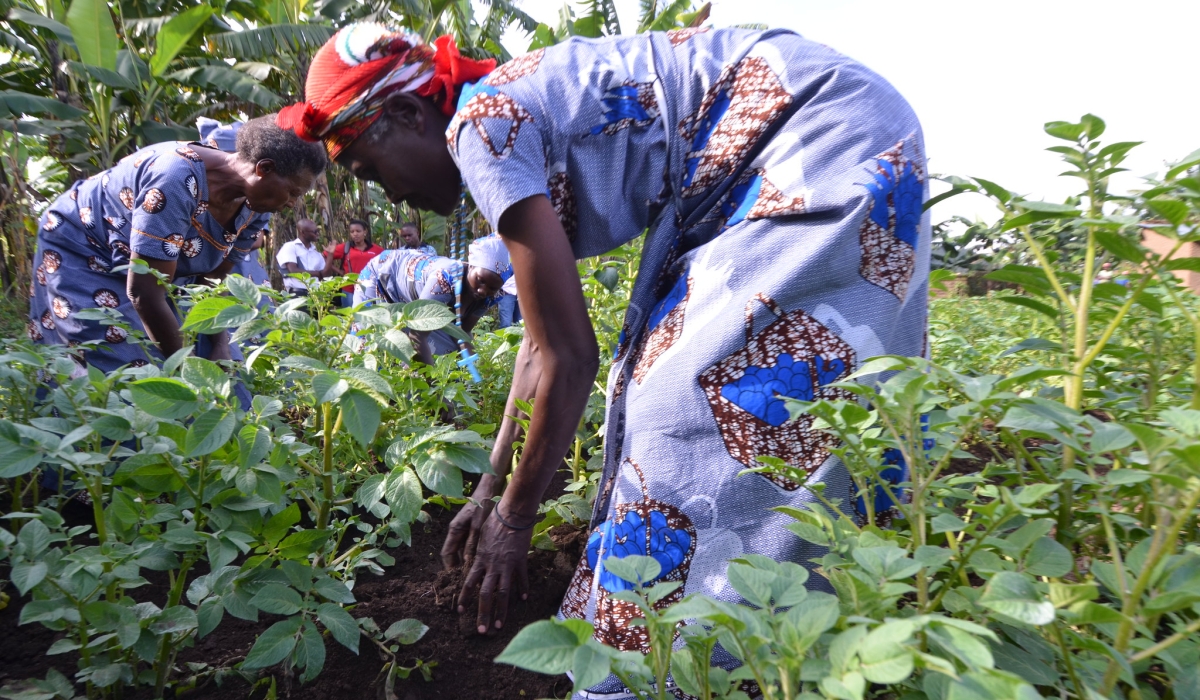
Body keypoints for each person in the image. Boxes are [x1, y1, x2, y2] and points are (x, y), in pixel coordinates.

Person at [279, 23, 929, 696]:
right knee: (738, 398)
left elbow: (570, 356)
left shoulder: (481, 126)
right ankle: (812, 626)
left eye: (369, 170)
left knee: (685, 408)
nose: (385, 195)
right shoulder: (506, 118)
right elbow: (540, 345)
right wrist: (488, 490)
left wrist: (515, 520)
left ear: (409, 114)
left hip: (815, 140)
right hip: (832, 131)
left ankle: (672, 667)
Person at [29, 115, 325, 374]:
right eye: (292, 192)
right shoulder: (175, 177)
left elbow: (212, 283)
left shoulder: (256, 205)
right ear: (264, 168)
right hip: (85, 247)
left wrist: (220, 343)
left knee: (226, 366)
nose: (292, 203)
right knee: (123, 363)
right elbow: (144, 293)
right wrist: (190, 371)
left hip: (147, 273)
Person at [352, 233, 510, 366]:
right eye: (480, 280)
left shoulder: (492, 296)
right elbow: (417, 336)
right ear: (471, 266)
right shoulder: (445, 279)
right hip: (380, 276)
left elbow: (462, 332)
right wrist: (433, 386)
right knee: (367, 345)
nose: (483, 290)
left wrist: (476, 373)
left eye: (492, 287)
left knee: (446, 351)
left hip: (412, 297)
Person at [324, 218, 383, 306]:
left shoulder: (376, 249)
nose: (355, 234)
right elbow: (324, 256)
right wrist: (339, 271)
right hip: (349, 289)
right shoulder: (345, 247)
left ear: (365, 232)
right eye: (352, 232)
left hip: (370, 290)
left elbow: (387, 262)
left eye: (358, 231)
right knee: (350, 314)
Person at [275, 218, 331, 295]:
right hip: (297, 293)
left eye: (318, 231)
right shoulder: (290, 247)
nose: (318, 234)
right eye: (315, 232)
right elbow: (293, 271)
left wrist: (330, 254)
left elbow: (325, 275)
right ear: (303, 232)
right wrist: (318, 273)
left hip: (315, 294)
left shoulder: (316, 254)